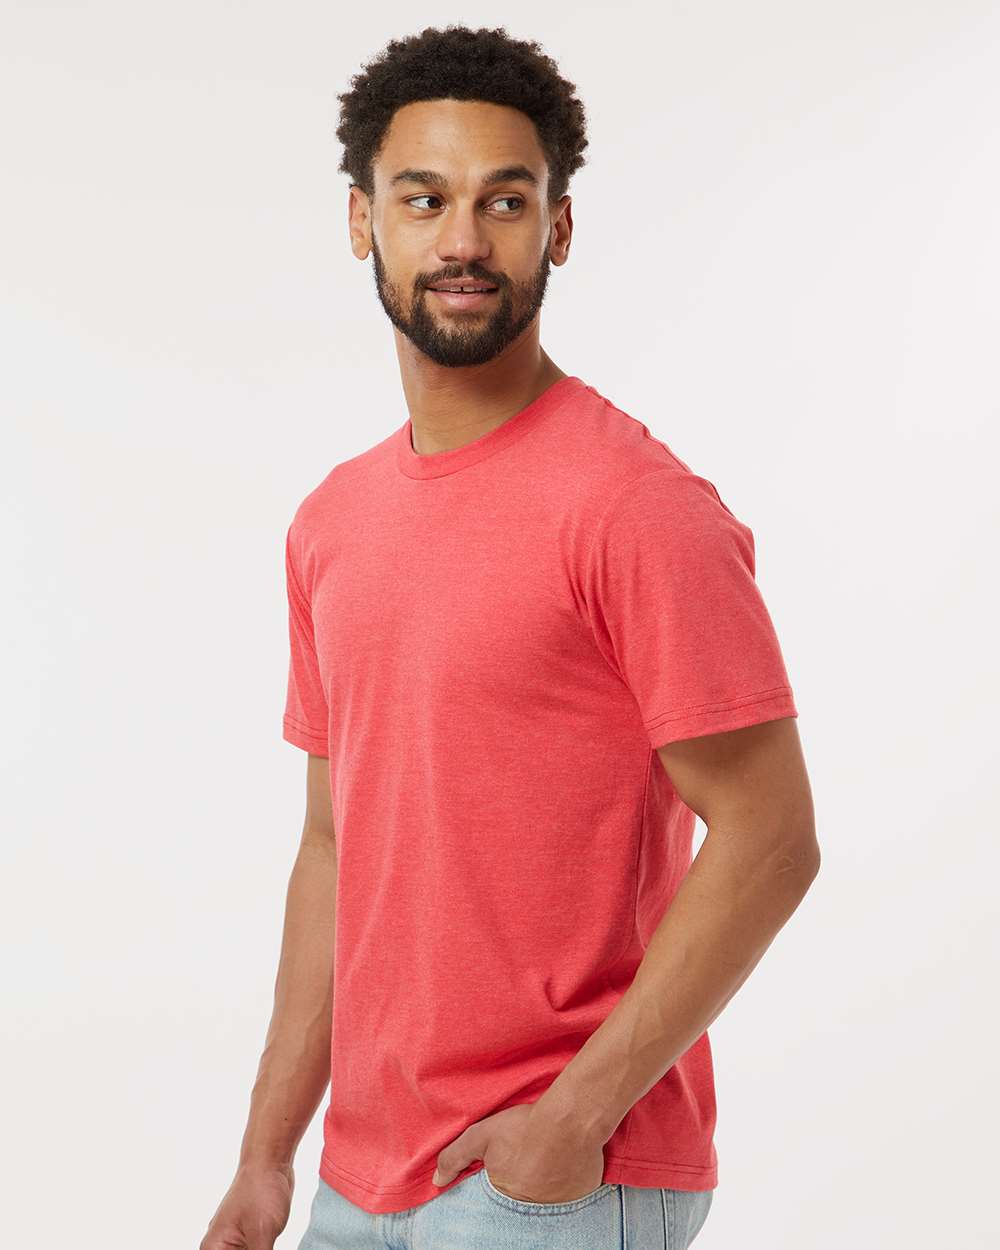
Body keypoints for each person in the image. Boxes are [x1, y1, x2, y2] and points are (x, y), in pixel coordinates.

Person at [199, 23, 819, 1250]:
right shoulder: (332, 522)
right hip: (359, 1179)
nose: (463, 242)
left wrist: (574, 1117)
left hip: (551, 1175)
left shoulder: (633, 505)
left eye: (504, 200)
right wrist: (266, 1154)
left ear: (558, 227)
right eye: (423, 198)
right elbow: (333, 842)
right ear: (363, 220)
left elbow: (771, 835)